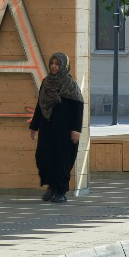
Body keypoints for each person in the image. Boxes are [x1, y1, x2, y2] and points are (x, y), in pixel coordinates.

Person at [29, 52, 85, 203]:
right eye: (52, 63)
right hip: (47, 127)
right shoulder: (46, 82)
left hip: (65, 130)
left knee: (62, 159)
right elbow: (40, 105)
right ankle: (51, 186)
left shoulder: (70, 84)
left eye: (57, 64)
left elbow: (78, 107)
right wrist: (34, 126)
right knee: (43, 157)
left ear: (63, 66)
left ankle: (61, 192)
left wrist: (76, 129)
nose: (54, 66)